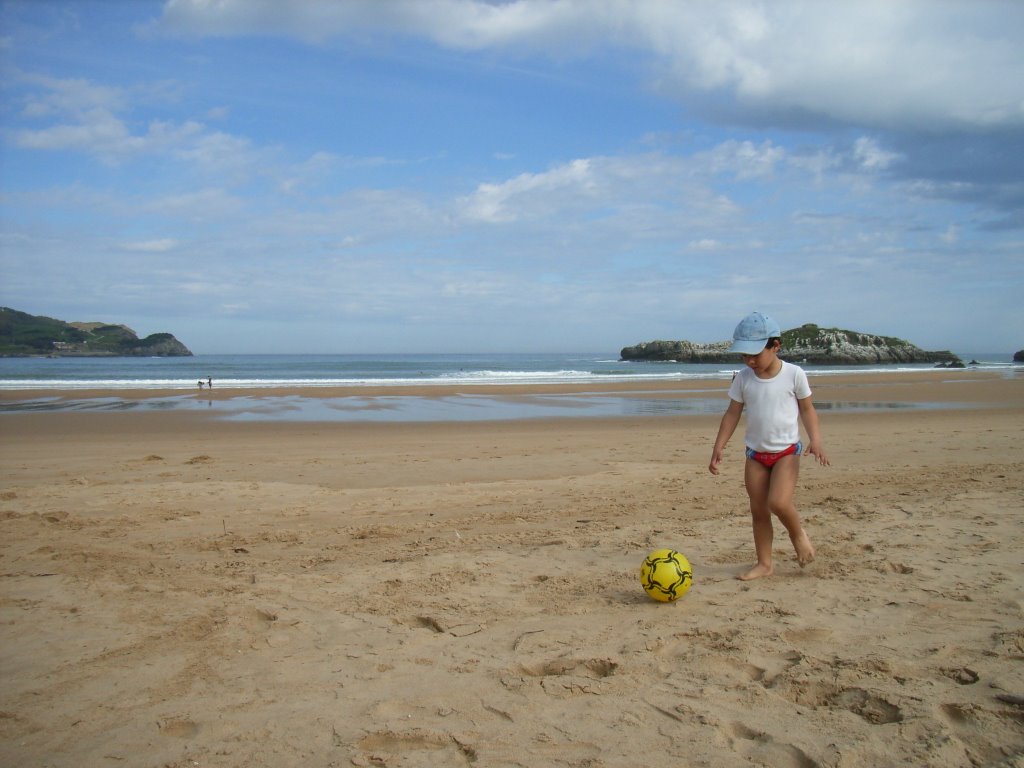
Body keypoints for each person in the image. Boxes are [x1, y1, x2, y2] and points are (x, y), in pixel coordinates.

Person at [708, 311, 829, 580]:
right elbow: (732, 413)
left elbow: (808, 410)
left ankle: (798, 535)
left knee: (778, 502)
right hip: (755, 455)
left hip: (787, 452)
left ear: (775, 346)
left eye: (755, 354)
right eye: (744, 355)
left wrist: (816, 440)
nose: (750, 361)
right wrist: (719, 446)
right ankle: (764, 563)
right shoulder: (743, 378)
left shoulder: (794, 375)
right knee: (759, 510)